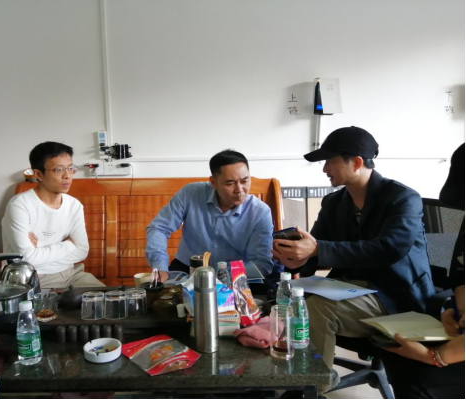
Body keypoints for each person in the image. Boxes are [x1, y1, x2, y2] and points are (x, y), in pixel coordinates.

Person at [272, 126, 435, 375]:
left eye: (330, 161)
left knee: (319, 309)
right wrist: (298, 260)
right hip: (348, 287)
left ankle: (312, 387)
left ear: (357, 162)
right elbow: (318, 246)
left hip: (394, 294)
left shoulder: (402, 198)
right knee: (286, 299)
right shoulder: (334, 202)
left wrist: (316, 249)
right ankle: (289, 376)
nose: (325, 169)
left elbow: (389, 249)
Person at [381, 143, 465, 399]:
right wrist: (454, 309)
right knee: (398, 357)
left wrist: (434, 356)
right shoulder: (452, 217)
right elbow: (452, 278)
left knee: (419, 377)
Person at [146, 149, 275, 283]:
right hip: (188, 269)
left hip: (235, 276)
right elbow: (159, 228)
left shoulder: (260, 212)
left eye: (244, 181)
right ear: (213, 182)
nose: (239, 190)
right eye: (230, 183)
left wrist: (218, 276)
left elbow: (261, 263)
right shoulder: (190, 194)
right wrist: (159, 267)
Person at [2, 141, 105, 289]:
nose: (67, 176)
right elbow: (27, 259)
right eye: (58, 170)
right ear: (38, 174)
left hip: (72, 274)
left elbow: (82, 251)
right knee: (54, 303)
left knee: (106, 298)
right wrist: (69, 244)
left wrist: (39, 250)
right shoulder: (20, 205)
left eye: (71, 168)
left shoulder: (74, 205)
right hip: (33, 277)